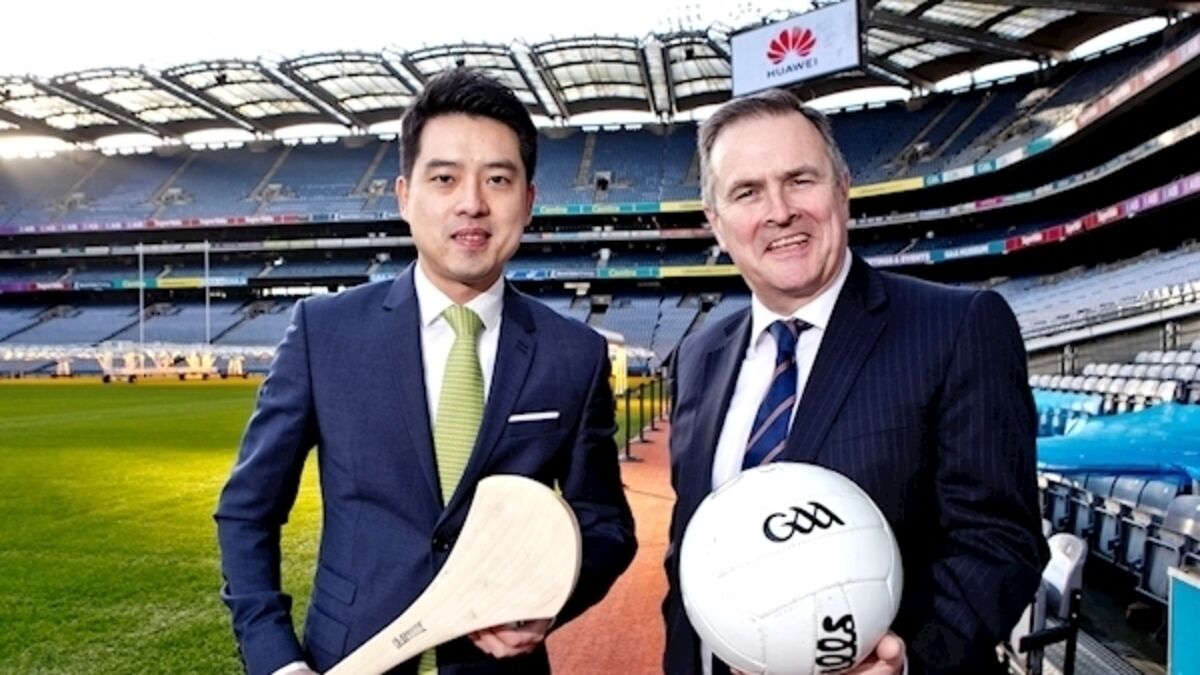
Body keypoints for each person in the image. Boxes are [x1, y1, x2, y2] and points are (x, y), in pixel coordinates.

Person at [215, 68, 637, 675]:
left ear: (528, 200)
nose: (472, 202)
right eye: (445, 178)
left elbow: (604, 523)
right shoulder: (323, 332)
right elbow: (248, 510)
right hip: (351, 658)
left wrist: (548, 600)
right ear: (405, 195)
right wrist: (275, 659)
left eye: (498, 179)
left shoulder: (574, 353)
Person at [662, 89, 1049, 675]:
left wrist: (906, 660)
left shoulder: (958, 326)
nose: (779, 211)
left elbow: (999, 540)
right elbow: (690, 548)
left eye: (800, 180)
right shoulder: (698, 355)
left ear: (842, 188)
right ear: (716, 221)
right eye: (747, 192)